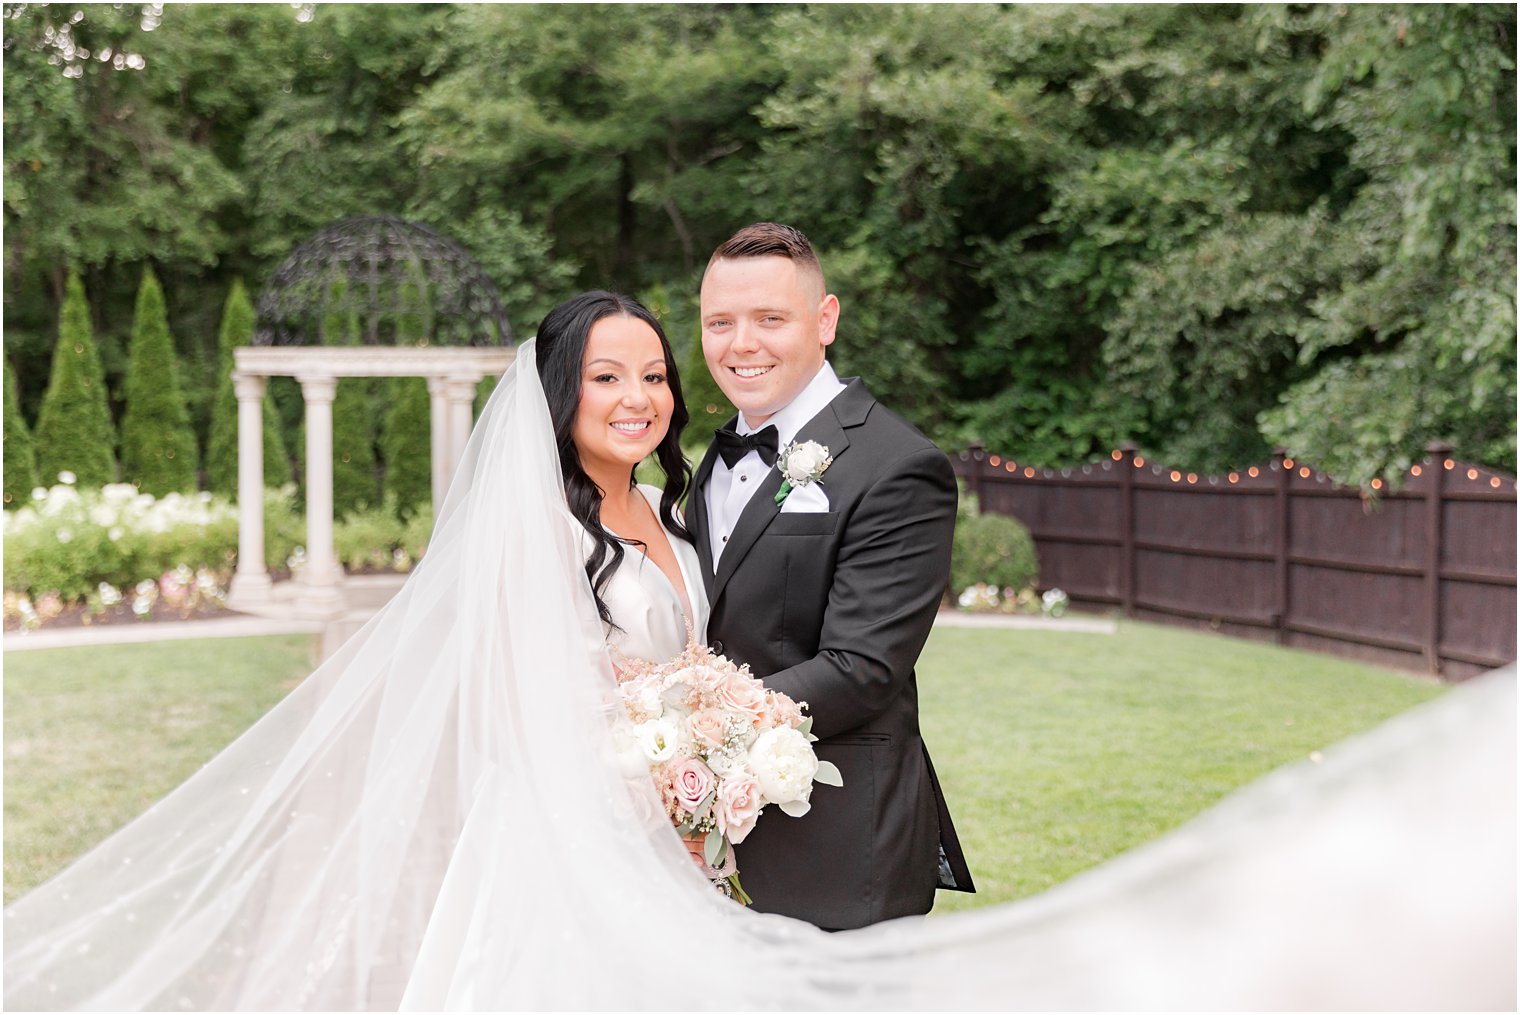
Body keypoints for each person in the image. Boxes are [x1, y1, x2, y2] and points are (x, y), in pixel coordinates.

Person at [5, 290, 1513, 1011]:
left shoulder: (674, 508)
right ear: (552, 392)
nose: (646, 392)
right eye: (610, 374)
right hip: (561, 851)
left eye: (657, 371)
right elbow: (522, 706)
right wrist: (670, 730)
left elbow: (766, 649)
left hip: (677, 840)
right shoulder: (534, 535)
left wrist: (703, 738)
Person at [687, 222, 974, 929]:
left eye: (769, 319)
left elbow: (861, 666)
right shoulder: (708, 465)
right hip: (708, 842)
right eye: (719, 322)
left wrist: (679, 729)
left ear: (825, 320)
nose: (740, 343)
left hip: (838, 847)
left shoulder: (898, 464)